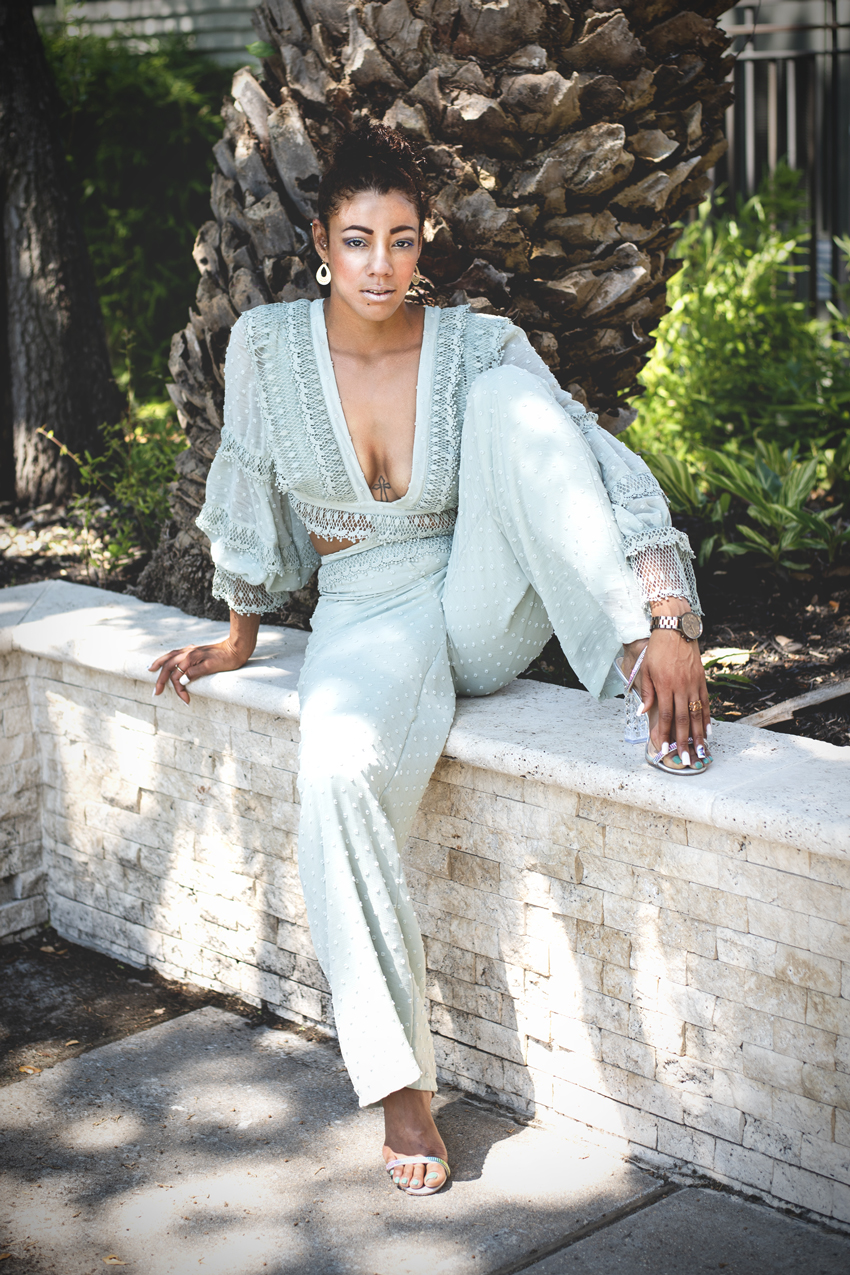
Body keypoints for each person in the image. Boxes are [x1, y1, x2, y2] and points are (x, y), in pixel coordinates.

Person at [150, 121, 712, 1197]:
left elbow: (589, 459)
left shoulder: (475, 344)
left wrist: (667, 613)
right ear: (323, 244)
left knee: (517, 405)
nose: (380, 265)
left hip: (475, 591)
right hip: (365, 612)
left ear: (423, 245)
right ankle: (399, 1082)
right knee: (336, 774)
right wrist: (239, 634)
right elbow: (248, 481)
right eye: (358, 240)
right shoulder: (266, 344)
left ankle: (642, 663)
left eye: (401, 241)